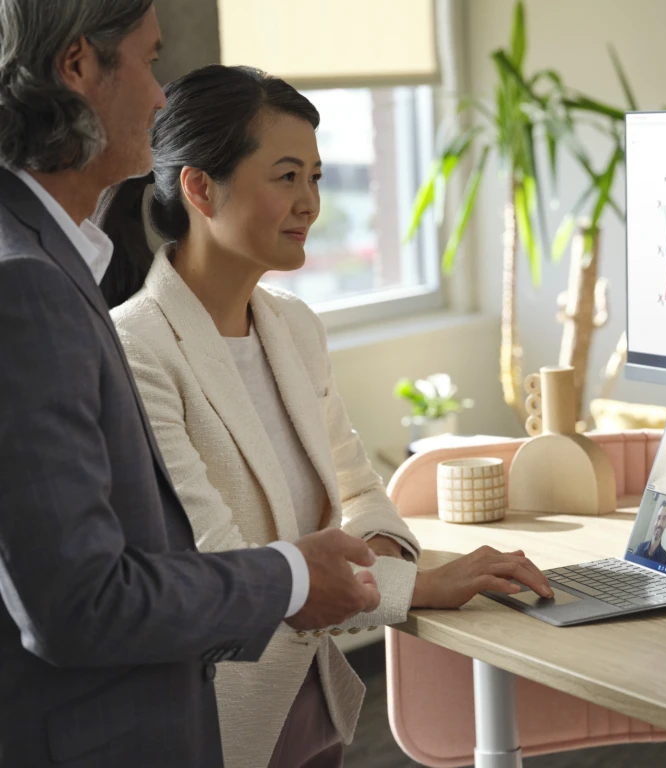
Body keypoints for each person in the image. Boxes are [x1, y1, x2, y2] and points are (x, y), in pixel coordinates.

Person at [103, 64, 552, 768]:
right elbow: (221, 563)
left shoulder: (294, 326)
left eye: (315, 176)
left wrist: (383, 560)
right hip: (218, 715)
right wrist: (419, 586)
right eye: (286, 177)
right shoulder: (135, 348)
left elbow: (361, 493)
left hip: (312, 701)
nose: (310, 202)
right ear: (198, 187)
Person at [0, 3, 393, 766]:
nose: (159, 96)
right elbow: (78, 603)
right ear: (78, 67)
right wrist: (291, 574)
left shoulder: (55, 263)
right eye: (149, 61)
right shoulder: (30, 288)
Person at [634, 499, 666, 566]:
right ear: (655, 520)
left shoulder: (665, 559)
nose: (659, 524)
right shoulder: (640, 548)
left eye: (664, 518)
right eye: (658, 517)